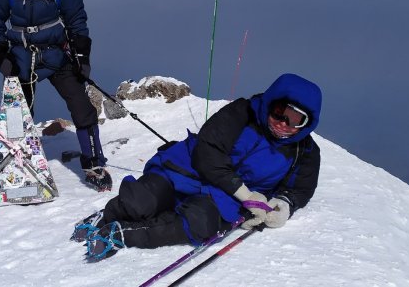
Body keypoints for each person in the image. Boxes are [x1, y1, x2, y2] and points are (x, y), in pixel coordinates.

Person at [72, 73, 322, 262]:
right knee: (142, 199)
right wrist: (245, 194)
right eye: (280, 112)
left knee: (199, 223)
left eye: (296, 120)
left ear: (307, 125)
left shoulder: (305, 151)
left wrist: (285, 204)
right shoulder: (242, 113)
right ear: (270, 104)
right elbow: (208, 153)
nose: (284, 124)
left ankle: (124, 234)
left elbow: (299, 188)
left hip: (224, 198)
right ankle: (106, 217)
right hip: (189, 170)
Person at [0, 0, 111, 192]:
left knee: (81, 105)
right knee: (18, 113)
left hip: (56, 54)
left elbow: (77, 19)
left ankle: (94, 163)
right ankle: (17, 166)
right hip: (20, 55)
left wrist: (81, 57)